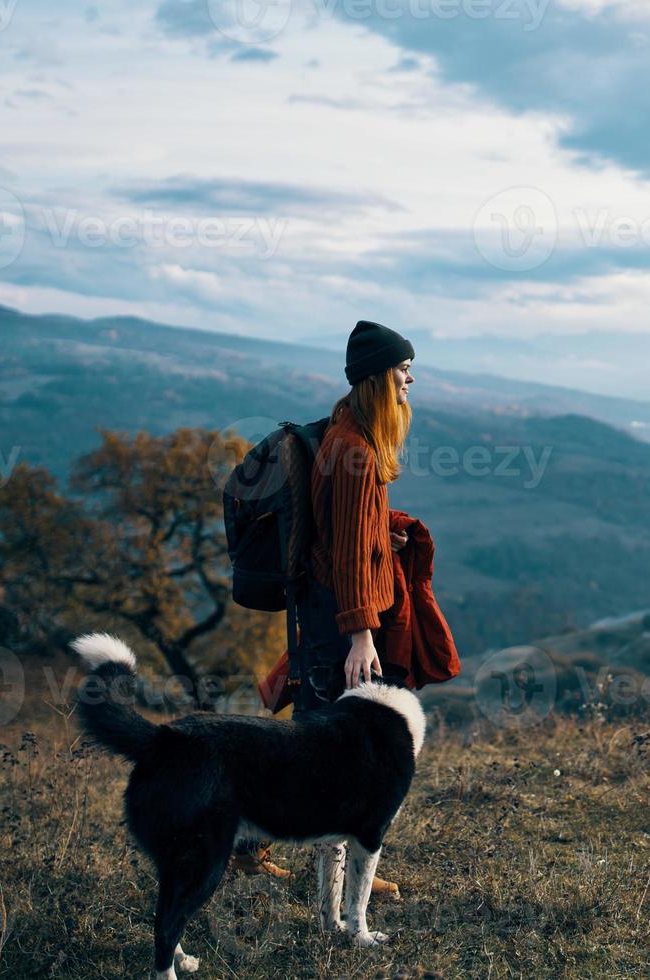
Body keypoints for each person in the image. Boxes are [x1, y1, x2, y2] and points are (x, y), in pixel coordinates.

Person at [232, 320, 416, 900]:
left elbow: (347, 532)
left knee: (314, 732)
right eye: (403, 370)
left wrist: (387, 538)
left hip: (326, 608)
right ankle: (268, 852)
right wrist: (362, 634)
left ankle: (266, 850)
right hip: (341, 616)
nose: (411, 379)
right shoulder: (356, 449)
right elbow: (346, 552)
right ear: (378, 379)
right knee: (325, 743)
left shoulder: (342, 433)